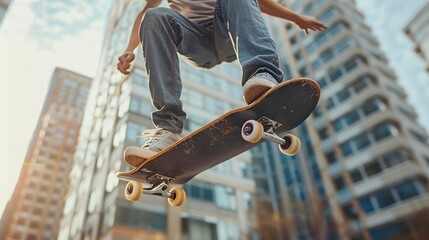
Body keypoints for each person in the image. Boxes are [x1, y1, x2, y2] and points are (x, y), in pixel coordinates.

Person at [117, 0, 327, 166]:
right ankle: (167, 128)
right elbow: (146, 10)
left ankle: (263, 74)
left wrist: (295, 18)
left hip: (226, 32)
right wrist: (129, 48)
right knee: (154, 16)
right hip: (195, 42)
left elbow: (258, 1)